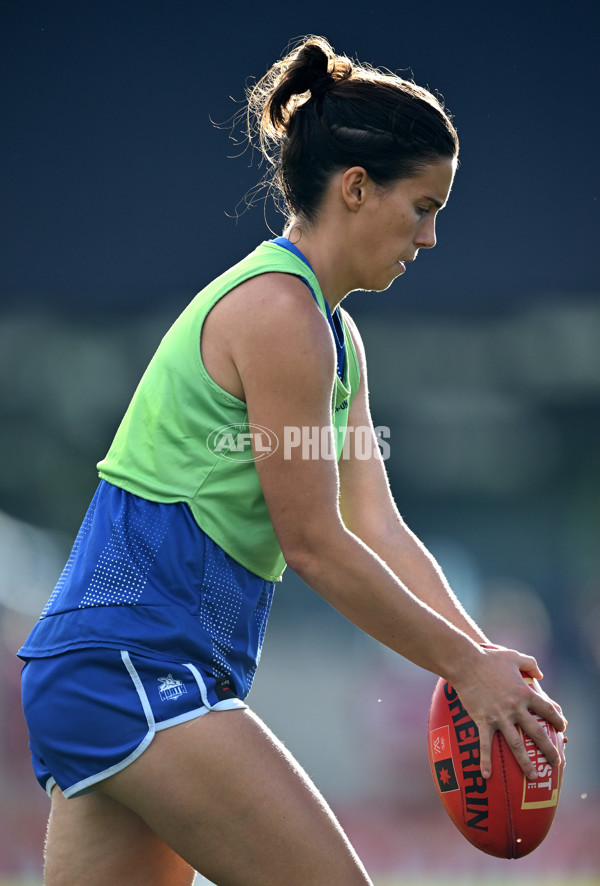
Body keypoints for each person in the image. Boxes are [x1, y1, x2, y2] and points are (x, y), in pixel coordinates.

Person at [19, 35, 566, 886]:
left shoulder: (331, 334)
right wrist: (463, 668)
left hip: (118, 671)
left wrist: (485, 659)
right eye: (422, 206)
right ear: (356, 188)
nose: (430, 238)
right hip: (135, 669)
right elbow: (312, 542)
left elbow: (375, 523)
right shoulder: (280, 315)